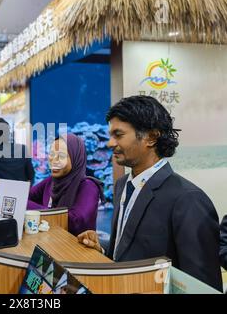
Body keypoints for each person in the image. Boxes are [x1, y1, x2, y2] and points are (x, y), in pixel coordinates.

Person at [77, 95, 222, 291]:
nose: (110, 143)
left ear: (151, 137)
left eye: (118, 135)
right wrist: (102, 249)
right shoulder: (122, 185)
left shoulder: (188, 199)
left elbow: (202, 286)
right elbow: (129, 250)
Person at [27, 134, 104, 236]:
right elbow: (26, 195)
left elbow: (75, 222)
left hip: (76, 249)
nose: (54, 160)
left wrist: (26, 205)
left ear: (76, 158)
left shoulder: (88, 186)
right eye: (51, 154)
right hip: (51, 243)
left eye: (61, 156)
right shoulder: (51, 181)